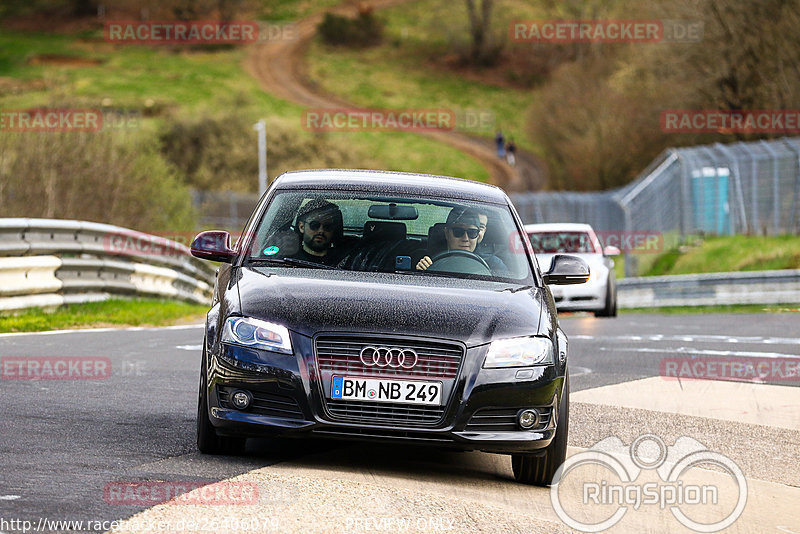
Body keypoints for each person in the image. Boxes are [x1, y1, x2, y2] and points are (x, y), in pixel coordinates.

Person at [416, 207, 506, 274]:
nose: (465, 238)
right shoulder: (427, 260)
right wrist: (421, 273)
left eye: (472, 233)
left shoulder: (494, 264)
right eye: (458, 232)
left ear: (478, 235)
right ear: (447, 233)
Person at [290, 199, 344, 266]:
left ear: (333, 230)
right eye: (314, 225)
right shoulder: (288, 261)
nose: (321, 231)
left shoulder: (344, 261)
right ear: (301, 227)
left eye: (327, 227)